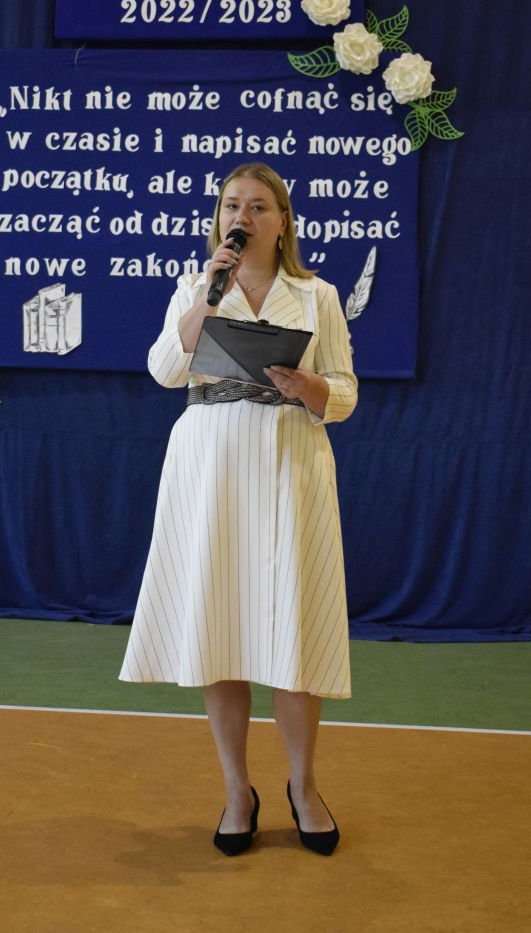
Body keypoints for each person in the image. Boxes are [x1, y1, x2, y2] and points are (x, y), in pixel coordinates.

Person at [120, 162, 358, 857]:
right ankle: (236, 790)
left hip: (290, 467)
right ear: (218, 218)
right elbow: (165, 370)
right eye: (232, 205)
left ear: (282, 221)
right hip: (211, 469)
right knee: (219, 627)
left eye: (258, 206)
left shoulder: (317, 295)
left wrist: (309, 385)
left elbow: (345, 393)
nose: (243, 217)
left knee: (294, 632)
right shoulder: (195, 288)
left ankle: (304, 786)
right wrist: (205, 299)